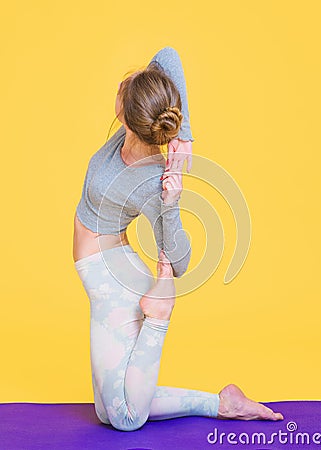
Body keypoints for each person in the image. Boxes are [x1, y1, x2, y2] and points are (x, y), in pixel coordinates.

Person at [73, 46, 284, 431]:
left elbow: (182, 262)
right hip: (103, 281)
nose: (119, 88)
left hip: (115, 285)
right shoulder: (118, 138)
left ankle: (160, 319)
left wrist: (171, 202)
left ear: (126, 113)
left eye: (123, 89)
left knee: (124, 417)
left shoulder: (152, 181)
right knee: (107, 411)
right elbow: (167, 55)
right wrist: (185, 136)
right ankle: (224, 403)